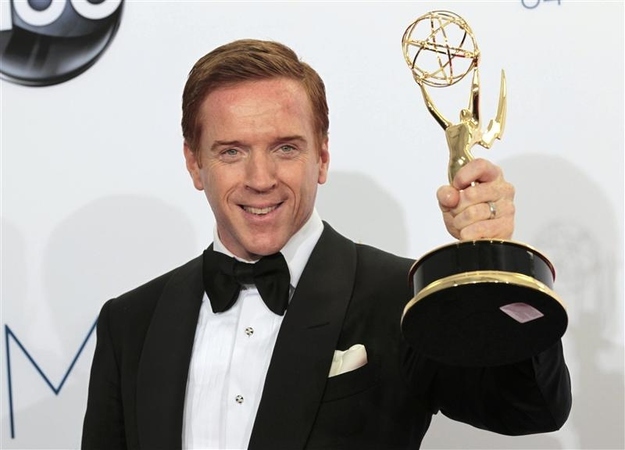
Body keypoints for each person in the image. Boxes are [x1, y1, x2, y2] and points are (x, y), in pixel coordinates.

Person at [81, 39, 571, 450]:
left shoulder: (401, 298)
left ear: (322, 157)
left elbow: (530, 408)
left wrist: (495, 259)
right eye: (232, 152)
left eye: (285, 148)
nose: (260, 179)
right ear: (194, 164)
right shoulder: (131, 322)